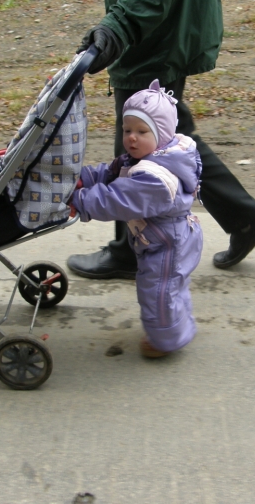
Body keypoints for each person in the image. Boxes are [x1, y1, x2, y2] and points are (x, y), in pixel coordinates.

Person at [68, 0, 255, 280]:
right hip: (161, 25)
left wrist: (120, 25)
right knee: (168, 137)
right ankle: (244, 219)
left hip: (152, 34)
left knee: (140, 141)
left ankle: (134, 249)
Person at [70, 81, 202, 357]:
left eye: (142, 131)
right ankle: (178, 326)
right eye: (127, 130)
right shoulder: (143, 158)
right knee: (171, 286)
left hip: (168, 244)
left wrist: (79, 200)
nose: (132, 137)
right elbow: (111, 173)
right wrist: (82, 179)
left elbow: (116, 200)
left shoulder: (154, 179)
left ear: (161, 134)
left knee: (158, 291)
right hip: (163, 238)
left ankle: (165, 341)